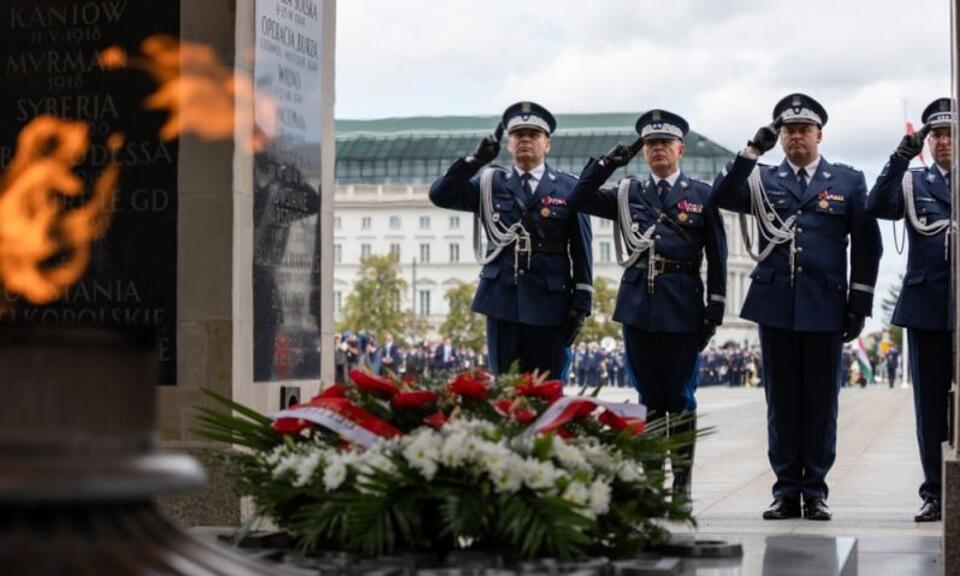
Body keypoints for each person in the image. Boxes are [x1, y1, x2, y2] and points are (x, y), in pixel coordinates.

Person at [712, 93, 882, 521]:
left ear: (819, 134)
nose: (796, 137)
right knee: (781, 402)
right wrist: (752, 150)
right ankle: (786, 489)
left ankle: (816, 490)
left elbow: (867, 245)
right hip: (775, 304)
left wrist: (858, 303)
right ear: (780, 137)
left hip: (825, 305)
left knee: (821, 403)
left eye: (804, 129)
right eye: (788, 131)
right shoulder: (762, 179)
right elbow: (722, 196)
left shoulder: (846, 181)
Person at [567, 109, 727, 508]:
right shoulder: (628, 192)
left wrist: (715, 309)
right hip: (638, 305)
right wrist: (607, 163)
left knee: (682, 397)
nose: (658, 149)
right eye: (651, 144)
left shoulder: (702, 195)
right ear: (644, 152)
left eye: (664, 143)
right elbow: (577, 198)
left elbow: (718, 255)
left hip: (683, 306)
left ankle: (682, 487)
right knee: (648, 397)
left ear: (680, 149)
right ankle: (654, 482)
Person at [429, 101, 593, 378]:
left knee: (548, 389)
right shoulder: (490, 183)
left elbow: (582, 247)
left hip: (550, 302)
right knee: (505, 389)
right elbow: (440, 195)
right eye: (518, 135)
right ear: (508, 144)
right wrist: (474, 162)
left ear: (547, 144)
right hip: (502, 300)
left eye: (533, 135)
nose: (525, 140)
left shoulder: (570, 187)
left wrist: (582, 301)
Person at [865, 97, 955, 522]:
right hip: (927, 308)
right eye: (937, 135)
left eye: (951, 134)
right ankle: (935, 491)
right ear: (928, 141)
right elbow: (877, 205)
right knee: (930, 407)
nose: (945, 142)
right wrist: (901, 157)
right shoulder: (913, 182)